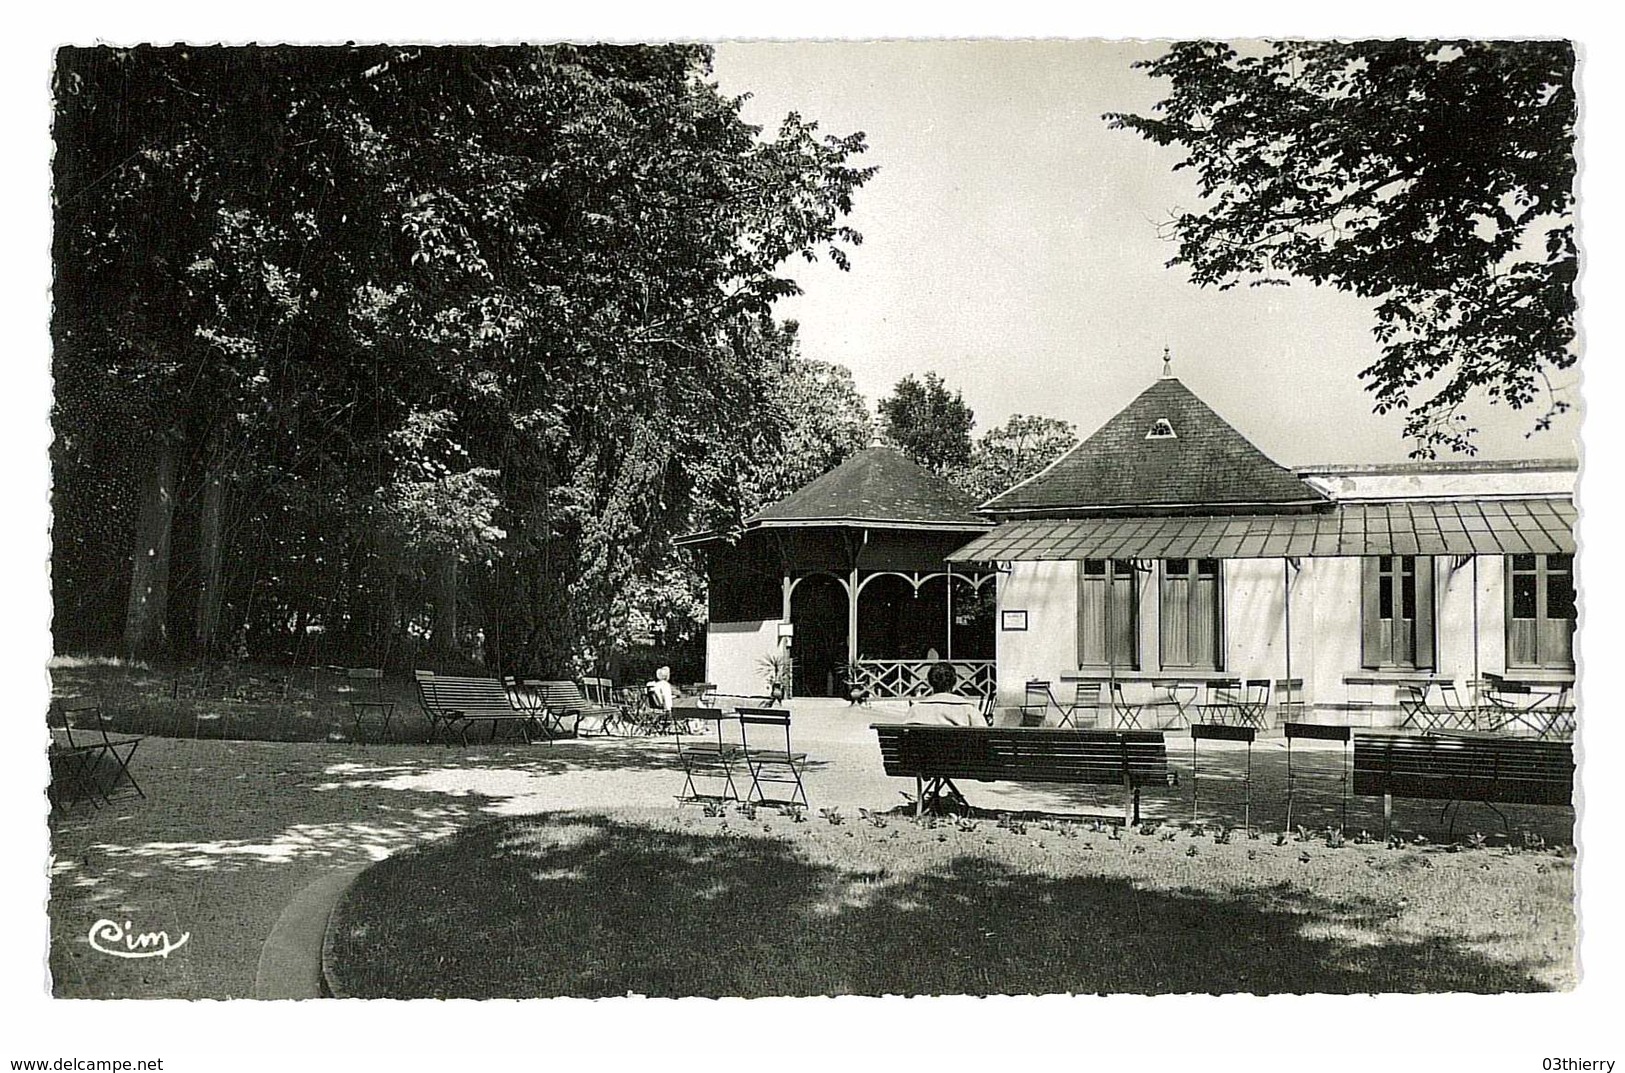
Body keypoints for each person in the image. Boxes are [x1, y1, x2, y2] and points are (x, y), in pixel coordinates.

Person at [908, 662, 984, 726]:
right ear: (954, 684)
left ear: (930, 683)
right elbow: (984, 737)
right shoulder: (968, 710)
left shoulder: (916, 710)